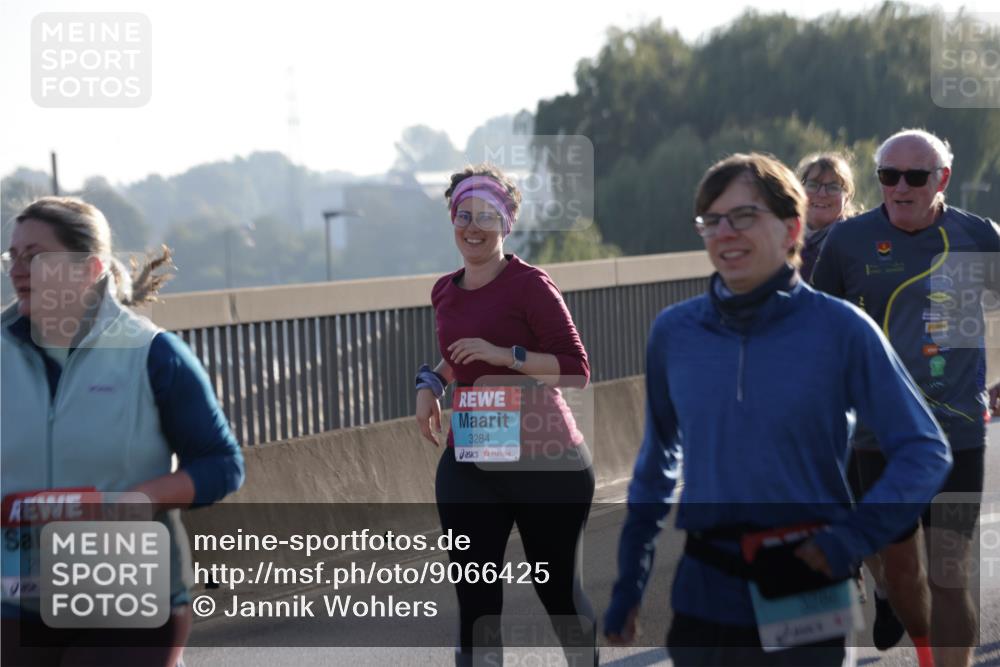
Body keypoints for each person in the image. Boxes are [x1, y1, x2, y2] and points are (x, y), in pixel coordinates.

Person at [604, 153, 952, 666]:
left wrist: (852, 539)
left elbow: (925, 449)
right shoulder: (674, 332)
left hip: (805, 579)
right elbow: (657, 464)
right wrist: (630, 580)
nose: (725, 232)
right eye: (712, 220)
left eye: (744, 217)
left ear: (792, 229)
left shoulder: (841, 330)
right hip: (705, 582)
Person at [1, 197, 245, 666]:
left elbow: (222, 464)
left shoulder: (153, 353)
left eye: (35, 256)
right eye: (14, 256)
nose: (17, 270)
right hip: (16, 596)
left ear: (88, 268)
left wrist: (135, 502)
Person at [812, 128, 999, 667]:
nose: (899, 187)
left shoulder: (978, 236)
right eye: (887, 176)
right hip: (880, 432)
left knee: (948, 570)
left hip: (956, 427)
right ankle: (922, 644)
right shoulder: (849, 243)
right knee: (902, 570)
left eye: (914, 177)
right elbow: (820, 327)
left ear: (941, 179)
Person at [414, 164, 596, 666]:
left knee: (558, 596)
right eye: (463, 214)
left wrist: (507, 356)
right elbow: (461, 356)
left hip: (546, 462)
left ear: (507, 222)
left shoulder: (531, 285)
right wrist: (431, 382)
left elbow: (576, 370)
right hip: (472, 459)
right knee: (477, 606)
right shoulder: (444, 291)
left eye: (487, 215)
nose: (473, 227)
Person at [796, 152, 859, 282]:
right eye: (813, 185)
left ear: (847, 196)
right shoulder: (781, 238)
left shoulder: (857, 241)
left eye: (833, 187)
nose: (822, 194)